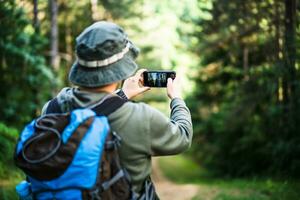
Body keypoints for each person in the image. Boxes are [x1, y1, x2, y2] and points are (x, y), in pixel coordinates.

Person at [41, 21, 193, 199]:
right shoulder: (141, 118)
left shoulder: (54, 107)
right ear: (121, 69)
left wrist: (123, 94)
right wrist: (176, 98)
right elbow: (182, 136)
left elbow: (92, 110)